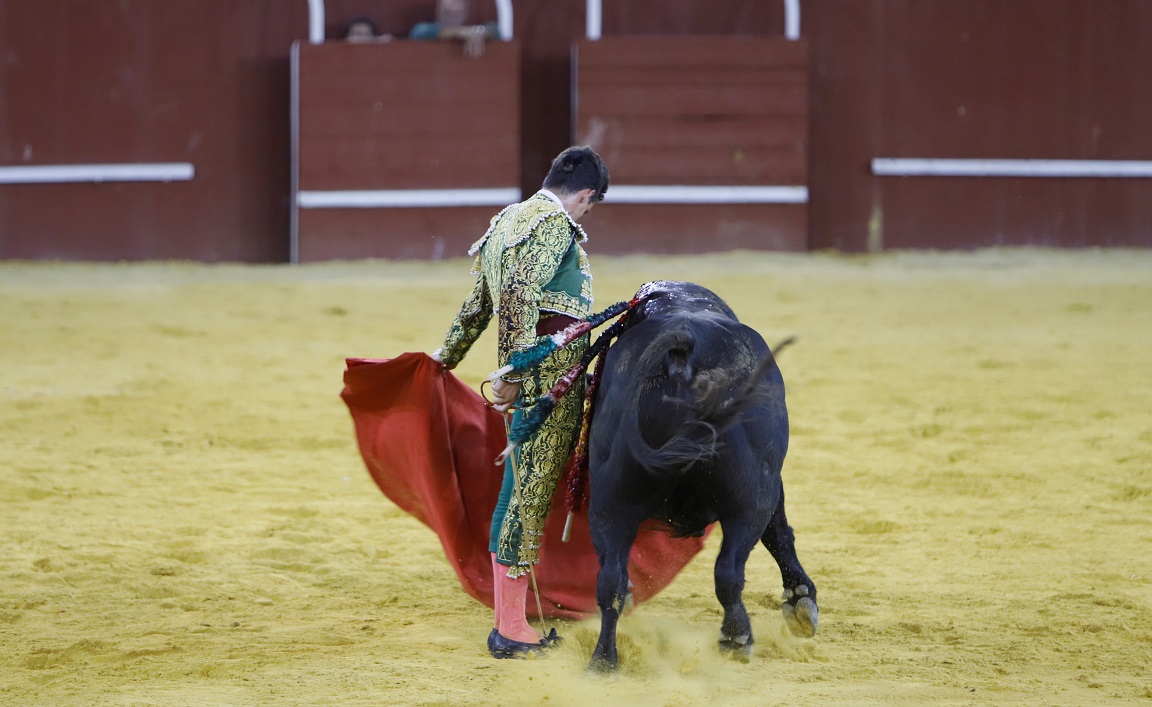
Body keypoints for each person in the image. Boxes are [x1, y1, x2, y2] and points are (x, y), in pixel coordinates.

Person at [431, 146, 609, 658]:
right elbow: (517, 296)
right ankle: (510, 628)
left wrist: (444, 358)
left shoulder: (507, 221)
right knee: (525, 495)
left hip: (532, 371)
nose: (585, 215)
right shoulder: (553, 223)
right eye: (589, 206)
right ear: (584, 195)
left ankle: (511, 617)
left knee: (518, 491)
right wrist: (514, 370)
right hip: (548, 378)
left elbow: (477, 307)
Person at [409, 0, 498, 58]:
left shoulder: (470, 31)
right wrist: (459, 33)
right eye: (447, 13)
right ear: (438, 11)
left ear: (464, 14)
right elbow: (419, 32)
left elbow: (495, 30)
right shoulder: (426, 29)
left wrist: (477, 33)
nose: (451, 19)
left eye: (456, 14)